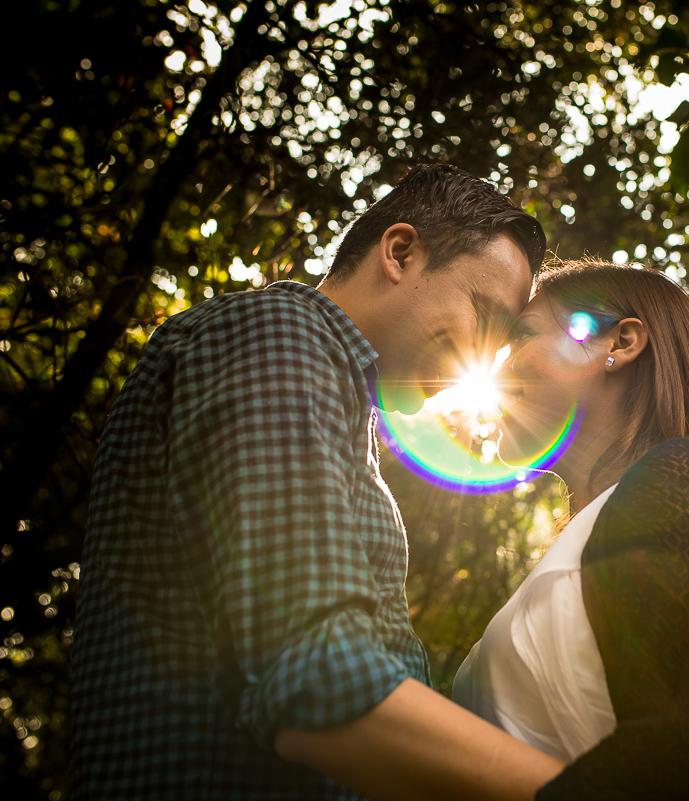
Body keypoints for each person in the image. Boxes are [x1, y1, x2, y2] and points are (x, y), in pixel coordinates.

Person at [71, 164, 566, 801]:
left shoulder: (330, 391)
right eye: (485, 319)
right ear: (400, 251)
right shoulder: (280, 335)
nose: (484, 359)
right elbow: (320, 679)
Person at [453, 262, 689, 799]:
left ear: (619, 343)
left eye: (523, 335)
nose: (498, 371)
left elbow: (686, 759)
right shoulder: (586, 540)